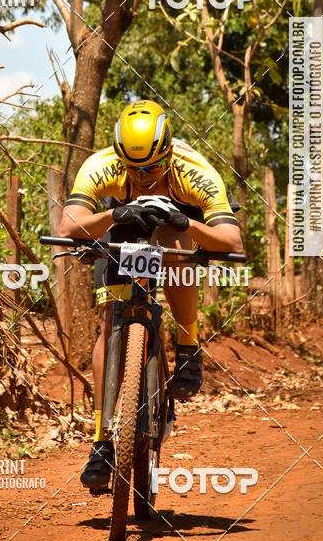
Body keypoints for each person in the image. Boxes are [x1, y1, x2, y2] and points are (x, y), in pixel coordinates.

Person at [59, 100, 243, 488]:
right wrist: (113, 215)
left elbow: (231, 240)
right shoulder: (102, 166)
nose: (143, 177)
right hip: (124, 218)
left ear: (168, 153)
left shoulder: (193, 172)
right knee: (109, 320)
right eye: (133, 168)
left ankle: (189, 345)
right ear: (120, 157)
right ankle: (101, 441)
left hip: (180, 218)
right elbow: (69, 226)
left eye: (152, 168)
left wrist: (188, 223)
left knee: (175, 244)